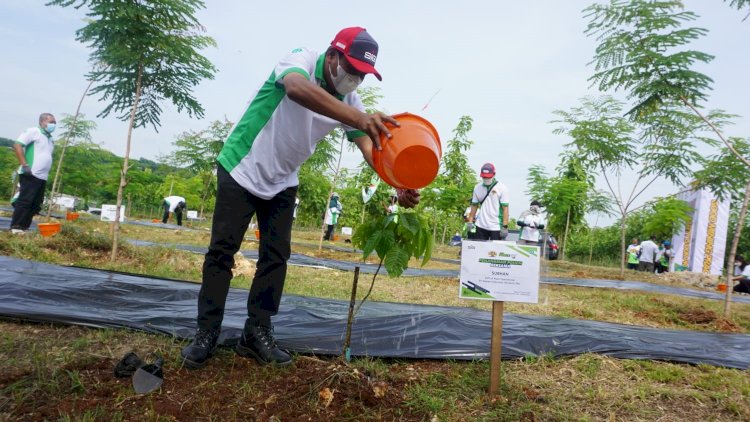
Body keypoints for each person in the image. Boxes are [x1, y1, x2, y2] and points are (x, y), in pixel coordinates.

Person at [181, 27, 420, 369]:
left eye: (362, 76)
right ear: (333, 56)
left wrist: (396, 182)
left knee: (276, 256)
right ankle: (206, 333)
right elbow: (295, 89)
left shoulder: (350, 99)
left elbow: (368, 145)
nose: (354, 80)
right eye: (351, 70)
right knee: (222, 251)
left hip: (283, 180)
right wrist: (358, 118)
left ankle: (256, 332)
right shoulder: (300, 60)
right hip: (242, 166)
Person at [9, 113, 57, 235]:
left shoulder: (50, 139)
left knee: (36, 204)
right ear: (42, 122)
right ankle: (16, 226)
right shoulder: (34, 131)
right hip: (31, 173)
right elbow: (17, 145)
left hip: (42, 176)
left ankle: (24, 227)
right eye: (51, 122)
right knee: (25, 201)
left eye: (55, 123)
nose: (53, 125)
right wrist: (24, 164)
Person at [466, 163, 510, 241]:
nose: (486, 179)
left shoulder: (502, 188)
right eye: (484, 177)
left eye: (488, 177)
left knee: (494, 252)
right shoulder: (477, 187)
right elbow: (474, 205)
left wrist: (505, 226)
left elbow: (505, 208)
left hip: (496, 226)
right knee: (480, 250)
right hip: (480, 225)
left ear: (494, 174)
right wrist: (470, 221)